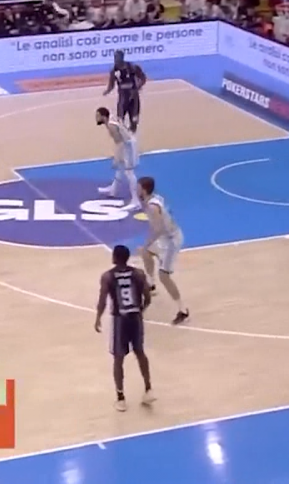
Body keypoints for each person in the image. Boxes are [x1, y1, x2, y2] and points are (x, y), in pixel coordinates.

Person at [94, 245, 155, 412]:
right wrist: (140, 310)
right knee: (140, 352)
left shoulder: (107, 276)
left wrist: (98, 318)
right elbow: (148, 297)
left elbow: (102, 300)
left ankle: (121, 398)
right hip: (135, 317)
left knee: (118, 358)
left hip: (120, 320)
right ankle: (148, 389)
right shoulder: (139, 274)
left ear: (114, 257)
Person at [137, 176, 189, 325]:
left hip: (171, 240)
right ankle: (151, 284)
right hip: (165, 237)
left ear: (144, 190)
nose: (136, 189)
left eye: (138, 187)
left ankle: (183, 310)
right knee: (146, 253)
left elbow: (158, 229)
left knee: (164, 276)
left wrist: (147, 243)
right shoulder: (154, 198)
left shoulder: (153, 207)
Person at [95, 107, 140, 211]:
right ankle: (113, 190)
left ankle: (136, 201)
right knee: (120, 168)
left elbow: (119, 143)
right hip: (126, 143)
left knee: (129, 172)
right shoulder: (110, 120)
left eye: (98, 116)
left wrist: (116, 158)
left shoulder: (111, 125)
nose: (96, 118)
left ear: (103, 116)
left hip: (128, 145)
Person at [103, 50, 146, 132]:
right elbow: (111, 85)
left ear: (122, 58)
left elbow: (143, 78)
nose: (116, 60)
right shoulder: (114, 71)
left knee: (134, 121)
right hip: (123, 99)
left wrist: (139, 86)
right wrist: (107, 91)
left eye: (117, 58)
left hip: (134, 98)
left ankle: (132, 134)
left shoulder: (132, 67)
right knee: (120, 121)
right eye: (115, 58)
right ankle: (123, 135)